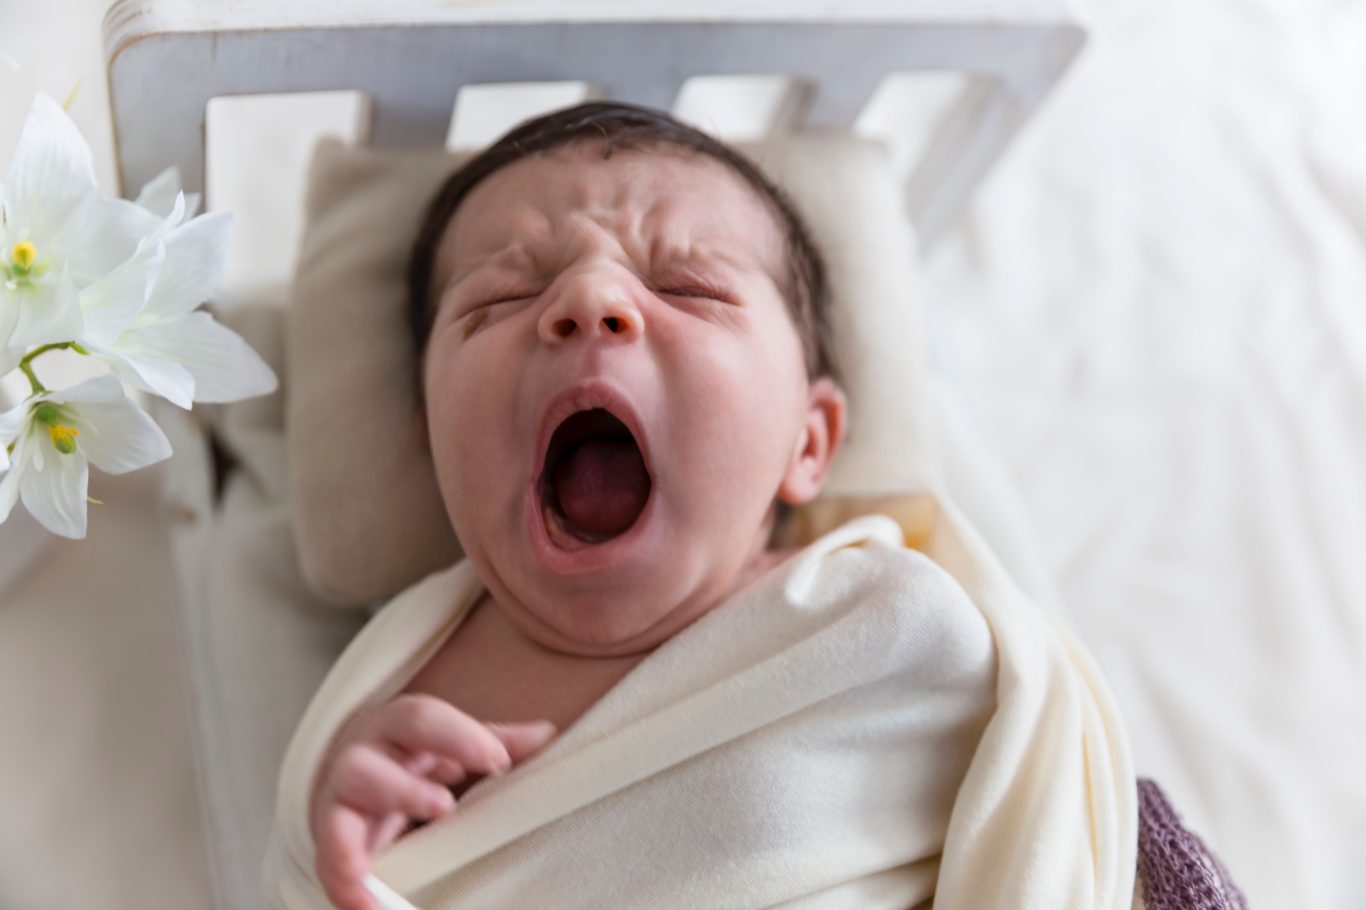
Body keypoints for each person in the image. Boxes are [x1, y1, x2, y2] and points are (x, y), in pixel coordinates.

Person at [267, 102, 1237, 910]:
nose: (591, 298)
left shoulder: (892, 622)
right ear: (430, 437)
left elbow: (1063, 813)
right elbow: (313, 881)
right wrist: (345, 839)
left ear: (807, 443)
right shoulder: (387, 695)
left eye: (687, 286)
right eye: (498, 298)